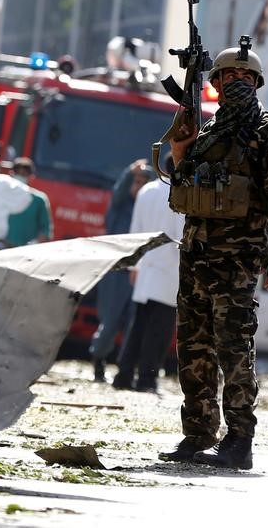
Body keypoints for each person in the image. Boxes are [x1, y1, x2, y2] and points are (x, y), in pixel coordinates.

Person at [157, 40, 268, 470]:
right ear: (215, 83)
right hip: (197, 256)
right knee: (193, 346)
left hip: (237, 261)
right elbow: (182, 182)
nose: (238, 82)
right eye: (229, 77)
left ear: (257, 84)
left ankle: (240, 439)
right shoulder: (206, 133)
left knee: (234, 348)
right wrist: (181, 145)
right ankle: (199, 432)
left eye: (246, 78)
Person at [112, 154, 184, 393]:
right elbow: (181, 236)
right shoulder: (181, 194)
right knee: (159, 331)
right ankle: (146, 379)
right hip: (169, 270)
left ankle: (124, 375)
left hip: (145, 267)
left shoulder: (147, 191)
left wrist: (134, 266)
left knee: (138, 326)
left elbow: (136, 230)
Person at [90, 159, 155, 382]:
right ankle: (98, 361)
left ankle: (124, 369)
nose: (138, 186)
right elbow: (118, 192)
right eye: (135, 182)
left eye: (143, 182)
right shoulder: (120, 206)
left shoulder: (149, 209)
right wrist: (129, 172)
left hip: (139, 272)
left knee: (133, 324)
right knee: (110, 321)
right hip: (117, 272)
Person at [5, 157, 53, 247]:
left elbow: (46, 231)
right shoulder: (3, 195)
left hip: (26, 254)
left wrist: (33, 245)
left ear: (31, 177)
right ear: (11, 174)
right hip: (1, 250)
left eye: (24, 174)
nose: (20, 176)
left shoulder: (39, 200)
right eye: (17, 173)